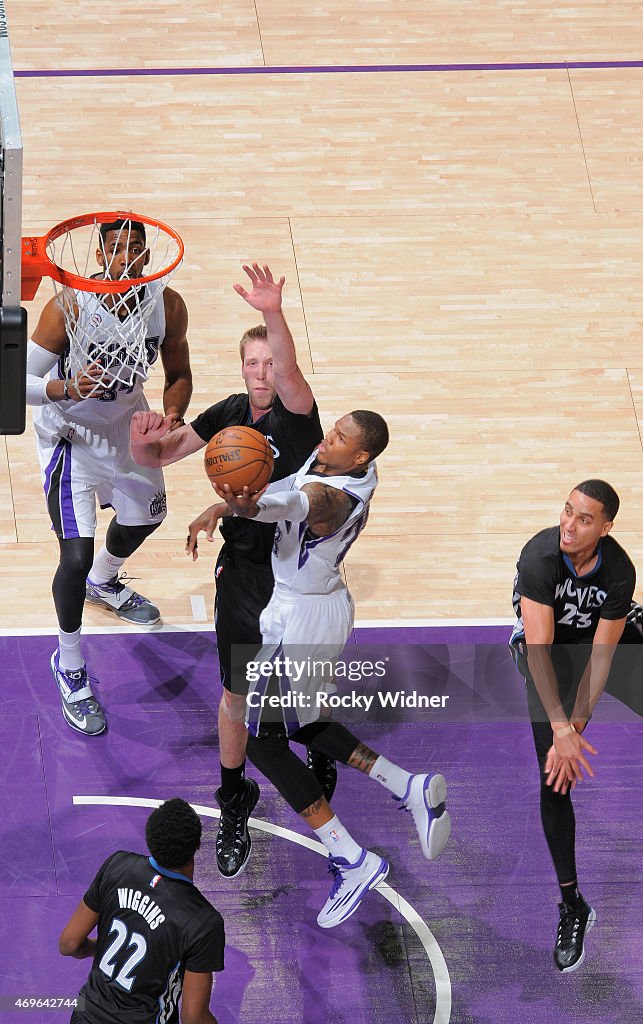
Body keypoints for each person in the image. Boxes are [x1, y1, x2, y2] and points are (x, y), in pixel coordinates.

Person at [207, 410, 451, 927]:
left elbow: (303, 501)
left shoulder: (333, 497)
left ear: (359, 457)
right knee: (305, 725)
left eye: (339, 437)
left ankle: (350, 857)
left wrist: (246, 502)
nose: (326, 437)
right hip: (323, 606)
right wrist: (229, 504)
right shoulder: (353, 471)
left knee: (261, 741)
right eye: (333, 428)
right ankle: (406, 785)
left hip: (301, 618)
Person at [130, 262, 329, 879]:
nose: (263, 372)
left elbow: (294, 371)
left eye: (270, 361)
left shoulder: (299, 415)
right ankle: (235, 795)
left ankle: (317, 755)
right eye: (253, 363)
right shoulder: (231, 413)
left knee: (299, 689)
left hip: (300, 574)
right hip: (246, 572)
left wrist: (272, 311)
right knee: (236, 693)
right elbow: (166, 451)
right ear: (241, 367)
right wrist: (141, 444)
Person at [26, 218, 192, 737]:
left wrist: (171, 414)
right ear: (100, 253)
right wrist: (65, 387)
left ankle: (106, 581)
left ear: (146, 255)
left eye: (135, 248)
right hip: (70, 437)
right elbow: (13, 382)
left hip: (129, 430)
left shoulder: (167, 305)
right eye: (116, 248)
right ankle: (70, 664)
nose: (126, 256)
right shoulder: (69, 306)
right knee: (72, 556)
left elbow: (180, 373)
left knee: (144, 521)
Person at [510, 479, 643, 973]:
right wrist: (561, 730)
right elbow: (542, 652)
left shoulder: (618, 568)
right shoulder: (540, 557)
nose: (569, 524)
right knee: (555, 783)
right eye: (567, 511)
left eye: (584, 519)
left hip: (601, 650)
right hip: (550, 662)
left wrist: (576, 731)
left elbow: (603, 658)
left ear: (605, 528)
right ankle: (572, 906)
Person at [59, 797, 224, 1024]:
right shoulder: (203, 921)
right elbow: (194, 1018)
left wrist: (103, 948)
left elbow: (69, 944)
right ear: (197, 845)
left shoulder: (117, 866)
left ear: (150, 839)